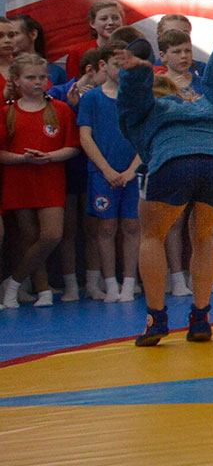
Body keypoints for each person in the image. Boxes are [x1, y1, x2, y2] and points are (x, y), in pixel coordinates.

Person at [117, 14, 213, 345]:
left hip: (173, 163)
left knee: (152, 236)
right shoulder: (208, 101)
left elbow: (130, 105)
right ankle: (201, 318)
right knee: (204, 236)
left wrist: (134, 71)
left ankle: (155, 321)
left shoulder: (152, 108)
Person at [1, 55, 80, 308]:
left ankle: (13, 282)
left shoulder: (60, 109)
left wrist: (49, 157)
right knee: (28, 237)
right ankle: (43, 289)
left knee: (52, 235)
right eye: (30, 77)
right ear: (16, 80)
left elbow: (73, 147)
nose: (38, 82)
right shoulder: (7, 112)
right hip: (19, 182)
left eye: (42, 77)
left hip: (50, 181)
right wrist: (22, 159)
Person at [76, 47, 142, 302]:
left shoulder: (136, 98)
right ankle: (110, 284)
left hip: (131, 174)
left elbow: (144, 137)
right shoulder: (92, 98)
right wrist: (106, 170)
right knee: (105, 227)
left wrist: (132, 170)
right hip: (102, 174)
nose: (121, 71)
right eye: (116, 65)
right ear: (103, 65)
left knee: (132, 226)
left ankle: (129, 283)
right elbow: (85, 137)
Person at [64, 0, 126, 81]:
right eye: (103, 18)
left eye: (115, 18)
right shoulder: (77, 52)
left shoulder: (131, 49)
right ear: (92, 23)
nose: (111, 22)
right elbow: (73, 84)